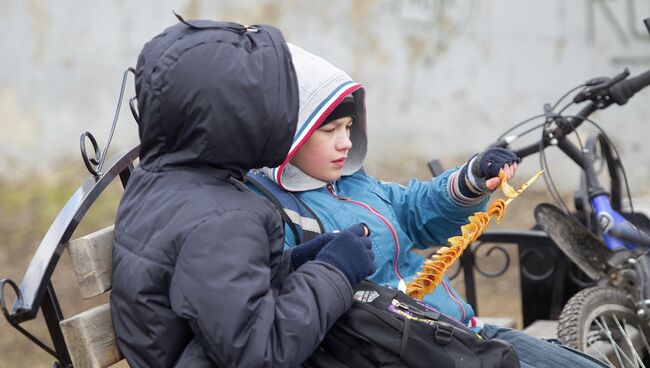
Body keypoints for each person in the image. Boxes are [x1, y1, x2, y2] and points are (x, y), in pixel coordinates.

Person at [260, 43, 609, 368]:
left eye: (349, 126)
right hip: (417, 352)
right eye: (330, 129)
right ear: (291, 133)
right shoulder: (273, 210)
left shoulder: (355, 182)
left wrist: (469, 180)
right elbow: (295, 311)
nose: (346, 142)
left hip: (466, 333)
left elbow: (414, 210)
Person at [109, 18, 376, 367]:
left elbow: (211, 288)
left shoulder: (161, 180)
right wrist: (335, 271)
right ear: (239, 119)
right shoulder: (224, 221)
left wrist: (295, 262)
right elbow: (258, 352)